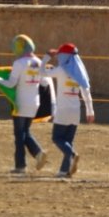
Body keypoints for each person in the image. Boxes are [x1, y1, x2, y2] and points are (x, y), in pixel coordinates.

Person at [40, 42, 94, 178]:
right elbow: (86, 92)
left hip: (63, 110)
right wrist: (90, 111)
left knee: (57, 138)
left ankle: (72, 154)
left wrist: (47, 57)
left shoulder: (61, 70)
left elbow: (41, 72)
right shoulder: (80, 72)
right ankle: (64, 171)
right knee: (68, 141)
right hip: (76, 112)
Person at [2, 34, 48, 174]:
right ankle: (38, 153)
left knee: (19, 135)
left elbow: (11, 84)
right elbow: (45, 83)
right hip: (34, 102)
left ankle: (20, 165)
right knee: (25, 131)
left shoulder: (19, 63)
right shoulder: (39, 62)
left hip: (21, 103)